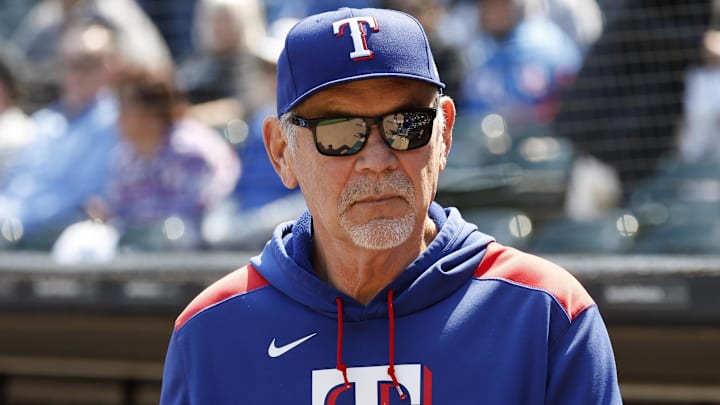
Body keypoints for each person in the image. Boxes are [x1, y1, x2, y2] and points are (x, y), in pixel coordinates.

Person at [160, 7, 622, 404]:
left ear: (444, 135)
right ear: (282, 152)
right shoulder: (211, 332)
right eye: (339, 131)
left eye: (407, 124)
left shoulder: (546, 313)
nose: (378, 160)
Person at [0, 18, 120, 249]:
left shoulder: (121, 121)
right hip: (16, 231)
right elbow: (16, 187)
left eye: (87, 63)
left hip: (74, 236)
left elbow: (91, 199)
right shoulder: (44, 123)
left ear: (110, 67)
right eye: (68, 64)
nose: (75, 73)